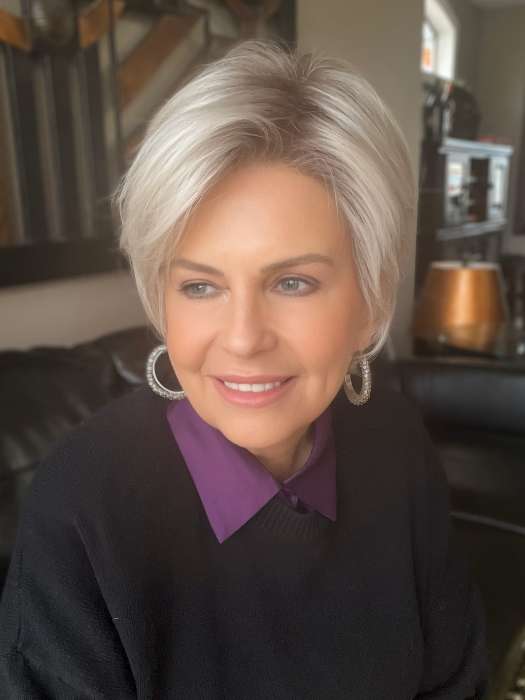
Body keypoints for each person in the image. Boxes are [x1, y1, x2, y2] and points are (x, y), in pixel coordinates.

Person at [0, 39, 487, 698]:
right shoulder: (81, 507)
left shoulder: (396, 446)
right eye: (200, 286)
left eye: (292, 282)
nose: (242, 338)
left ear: (370, 300)